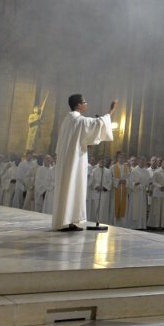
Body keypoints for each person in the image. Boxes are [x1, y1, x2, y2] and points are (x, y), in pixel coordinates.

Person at [51, 94, 115, 231]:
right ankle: (67, 221)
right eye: (85, 102)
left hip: (68, 160)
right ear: (78, 105)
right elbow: (97, 123)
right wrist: (110, 112)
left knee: (70, 188)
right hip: (74, 161)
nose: (86, 104)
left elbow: (82, 137)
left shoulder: (67, 120)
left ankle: (70, 220)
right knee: (72, 186)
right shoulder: (79, 121)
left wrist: (87, 142)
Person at [124, 157, 150, 229]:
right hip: (135, 192)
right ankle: (133, 225)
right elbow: (129, 183)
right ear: (138, 162)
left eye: (143, 162)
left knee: (142, 209)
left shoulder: (146, 171)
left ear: (145, 162)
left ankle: (141, 225)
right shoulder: (134, 171)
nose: (142, 163)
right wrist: (135, 184)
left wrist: (147, 187)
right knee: (134, 209)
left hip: (142, 192)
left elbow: (148, 182)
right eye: (141, 162)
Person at [148, 159, 164, 230]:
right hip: (158, 192)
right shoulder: (157, 172)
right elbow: (153, 181)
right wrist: (160, 186)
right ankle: (156, 225)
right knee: (157, 210)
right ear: (161, 164)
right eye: (163, 163)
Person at [87, 157, 113, 225]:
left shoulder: (108, 171)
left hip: (104, 193)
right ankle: (94, 222)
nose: (102, 163)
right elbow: (92, 181)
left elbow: (110, 182)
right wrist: (96, 186)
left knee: (103, 209)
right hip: (96, 192)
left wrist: (103, 188)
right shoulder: (94, 170)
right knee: (95, 208)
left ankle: (102, 223)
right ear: (98, 162)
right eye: (101, 161)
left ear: (105, 163)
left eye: (104, 162)